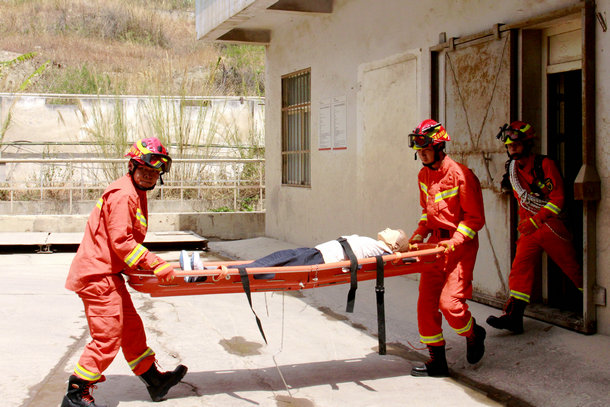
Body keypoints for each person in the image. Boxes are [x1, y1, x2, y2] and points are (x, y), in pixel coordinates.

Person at [62, 137, 187, 407]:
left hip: (108, 273)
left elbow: (121, 243)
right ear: (132, 167)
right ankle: (76, 394)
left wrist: (143, 268)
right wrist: (154, 263)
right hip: (97, 276)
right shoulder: (123, 195)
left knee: (131, 329)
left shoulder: (135, 192)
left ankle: (154, 380)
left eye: (154, 171)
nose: (149, 175)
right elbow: (122, 242)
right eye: (144, 169)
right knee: (107, 336)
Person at [402, 119, 487, 377]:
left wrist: (455, 241)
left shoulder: (462, 174)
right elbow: (427, 214)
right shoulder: (423, 175)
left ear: (440, 147)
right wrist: (418, 235)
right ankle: (437, 362)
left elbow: (474, 219)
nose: (421, 154)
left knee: (450, 305)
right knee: (426, 305)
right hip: (433, 248)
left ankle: (473, 333)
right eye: (419, 150)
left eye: (426, 149)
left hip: (459, 247)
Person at [486, 121, 583, 334]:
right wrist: (528, 223)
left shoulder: (545, 164)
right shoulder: (512, 168)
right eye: (509, 145)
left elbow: (558, 199)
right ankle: (514, 317)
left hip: (551, 224)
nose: (512, 148)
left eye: (516, 144)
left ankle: (589, 306)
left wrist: (536, 220)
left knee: (572, 267)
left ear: (528, 144)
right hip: (529, 228)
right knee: (519, 269)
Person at [183, 229, 408, 282]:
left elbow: (393, 260)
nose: (387, 229)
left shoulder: (383, 251)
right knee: (268, 262)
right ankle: (205, 272)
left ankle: (204, 274)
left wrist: (406, 254)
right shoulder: (377, 245)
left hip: (319, 260)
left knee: (265, 268)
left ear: (394, 244)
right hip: (316, 253)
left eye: (393, 232)